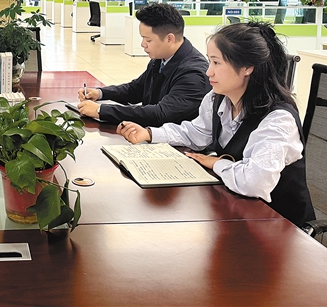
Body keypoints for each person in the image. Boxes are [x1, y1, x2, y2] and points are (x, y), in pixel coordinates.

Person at [117, 21, 315, 227]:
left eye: (216, 63)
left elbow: (254, 182)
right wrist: (149, 133)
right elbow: (195, 133)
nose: (208, 72)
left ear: (247, 67)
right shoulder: (218, 99)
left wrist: (216, 163)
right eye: (209, 61)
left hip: (280, 227)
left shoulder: (278, 120)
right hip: (237, 214)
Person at [77, 3, 210, 125]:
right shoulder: (161, 58)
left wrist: (101, 110)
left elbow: (160, 114)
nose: (143, 44)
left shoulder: (194, 74)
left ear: (169, 39)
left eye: (148, 40)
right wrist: (100, 93)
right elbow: (135, 90)